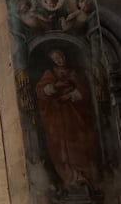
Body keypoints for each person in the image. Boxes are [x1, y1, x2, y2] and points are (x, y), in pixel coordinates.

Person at [35, 47, 101, 190]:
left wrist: (70, 95)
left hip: (75, 116)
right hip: (58, 119)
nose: (59, 59)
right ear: (52, 61)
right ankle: (71, 178)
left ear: (64, 55)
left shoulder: (75, 72)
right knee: (61, 149)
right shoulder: (49, 74)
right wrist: (53, 87)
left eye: (60, 56)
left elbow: (84, 90)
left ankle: (86, 177)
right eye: (55, 58)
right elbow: (40, 91)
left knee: (79, 145)